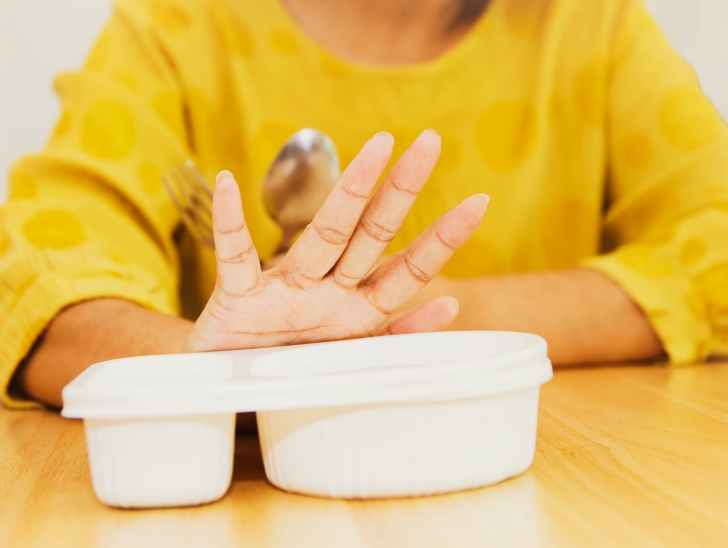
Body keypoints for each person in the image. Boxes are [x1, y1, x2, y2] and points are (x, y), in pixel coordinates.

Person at [1, 0, 727, 410]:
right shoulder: (175, 28)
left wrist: (423, 317)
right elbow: (39, 282)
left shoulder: (593, 24)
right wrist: (211, 367)